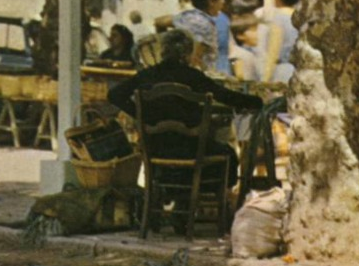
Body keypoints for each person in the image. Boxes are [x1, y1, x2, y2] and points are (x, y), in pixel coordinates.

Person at [109, 29, 263, 167]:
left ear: (163, 50)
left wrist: (140, 115)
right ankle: (206, 192)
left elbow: (114, 95)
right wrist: (256, 101)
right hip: (191, 150)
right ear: (187, 53)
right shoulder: (193, 76)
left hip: (156, 149)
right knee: (228, 154)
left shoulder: (147, 75)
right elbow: (226, 96)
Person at [174, 0, 226, 73]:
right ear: (211, 1)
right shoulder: (204, 24)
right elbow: (195, 57)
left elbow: (161, 21)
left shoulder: (185, 16)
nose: (223, 1)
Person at [263, 0, 301, 84]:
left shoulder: (278, 19)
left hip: (283, 72)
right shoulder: (300, 17)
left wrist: (266, 79)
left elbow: (273, 52)